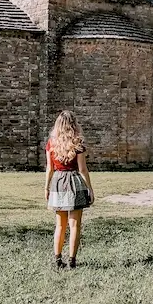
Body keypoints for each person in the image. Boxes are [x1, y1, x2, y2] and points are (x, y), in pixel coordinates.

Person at [45, 110, 94, 269]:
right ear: (74, 124)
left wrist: (46, 187)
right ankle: (72, 260)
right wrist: (90, 188)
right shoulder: (78, 143)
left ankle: (58, 259)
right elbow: (82, 169)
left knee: (60, 225)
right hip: (74, 182)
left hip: (58, 182)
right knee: (75, 225)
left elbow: (49, 169)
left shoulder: (51, 143)